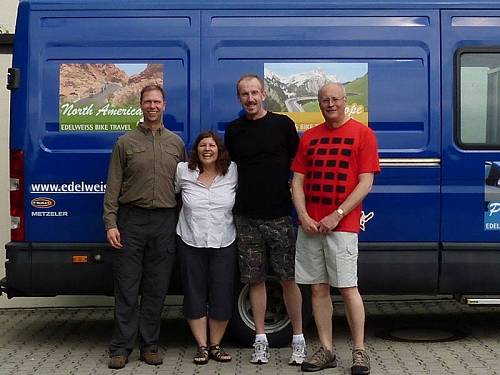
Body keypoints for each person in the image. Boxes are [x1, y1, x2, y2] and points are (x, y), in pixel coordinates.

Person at [291, 82, 380, 374]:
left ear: (345, 101)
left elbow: (365, 182)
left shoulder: (363, 134)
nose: (330, 104)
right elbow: (298, 181)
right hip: (311, 225)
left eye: (335, 99)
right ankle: (327, 350)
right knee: (317, 289)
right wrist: (303, 215)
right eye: (324, 100)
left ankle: (359, 351)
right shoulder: (310, 137)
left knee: (348, 287)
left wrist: (338, 214)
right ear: (319, 104)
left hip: (342, 226)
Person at [224, 74, 306, 365]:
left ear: (264, 94)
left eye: (255, 93)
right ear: (239, 98)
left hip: (280, 215)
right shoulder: (234, 130)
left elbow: (299, 169)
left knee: (288, 278)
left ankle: (298, 339)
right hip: (246, 217)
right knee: (254, 280)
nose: (250, 98)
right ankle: (260, 340)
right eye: (244, 94)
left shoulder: (283, 125)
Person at [103, 84, 185, 369]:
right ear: (140, 105)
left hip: (164, 221)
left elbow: (184, 188)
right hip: (131, 220)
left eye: (157, 101)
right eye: (147, 101)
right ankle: (121, 347)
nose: (152, 106)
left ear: (164, 105)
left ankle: (150, 345)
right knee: (126, 286)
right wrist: (111, 223)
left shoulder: (176, 143)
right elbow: (112, 186)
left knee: (156, 287)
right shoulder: (125, 143)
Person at [175, 131, 238, 365]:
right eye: (203, 145)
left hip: (224, 241)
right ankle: (201, 346)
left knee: (221, 294)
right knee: (194, 294)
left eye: (212, 145)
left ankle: (216, 345)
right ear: (196, 150)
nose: (208, 149)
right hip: (191, 241)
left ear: (219, 149)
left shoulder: (232, 171)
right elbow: (171, 195)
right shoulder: (184, 171)